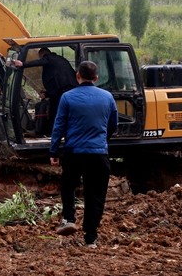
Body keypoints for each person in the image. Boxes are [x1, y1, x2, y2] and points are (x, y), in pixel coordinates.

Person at [50, 60, 118, 248]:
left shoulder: (67, 97)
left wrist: (54, 150)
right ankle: (91, 238)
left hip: (74, 152)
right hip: (98, 154)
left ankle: (69, 218)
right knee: (95, 195)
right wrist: (103, 142)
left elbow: (59, 126)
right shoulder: (107, 97)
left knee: (68, 185)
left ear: (77, 76)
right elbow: (113, 125)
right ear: (96, 78)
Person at [19, 47, 78, 132]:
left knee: (54, 112)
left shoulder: (48, 58)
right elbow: (58, 81)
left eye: (40, 57)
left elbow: (39, 62)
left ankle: (53, 132)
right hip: (68, 89)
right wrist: (47, 93)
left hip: (63, 92)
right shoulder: (60, 59)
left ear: (43, 55)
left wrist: (22, 64)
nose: (41, 59)